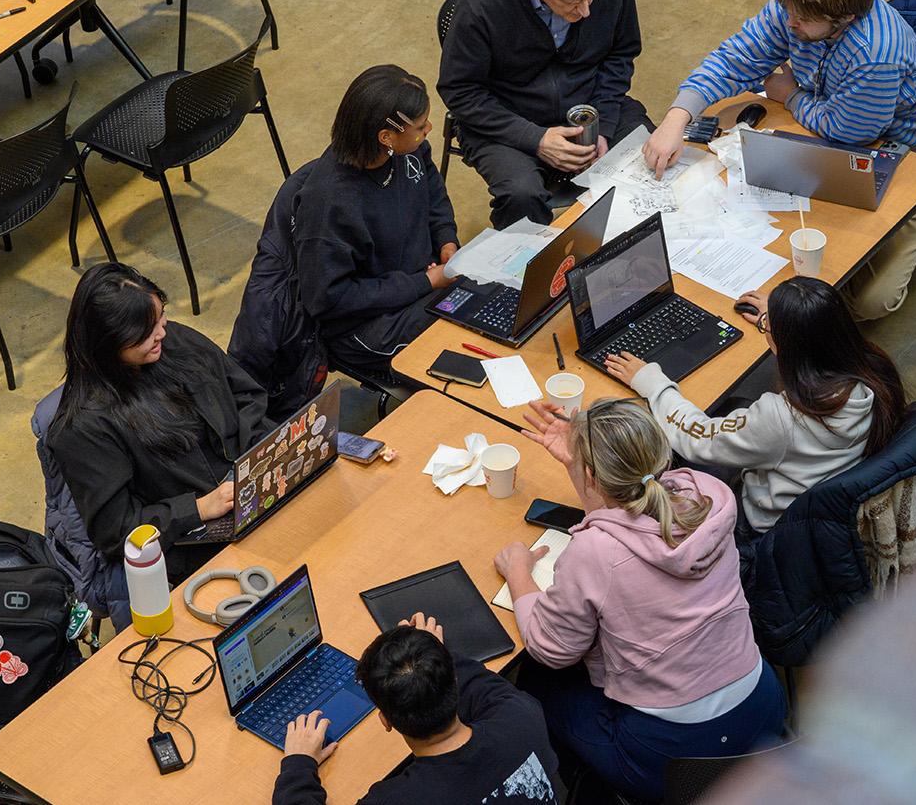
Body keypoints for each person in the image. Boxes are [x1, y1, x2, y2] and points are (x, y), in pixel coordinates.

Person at [642, 0, 916, 321]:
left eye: (801, 21)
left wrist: (792, 96)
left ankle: (803, 325)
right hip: (827, 126)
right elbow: (737, 57)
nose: (790, 25)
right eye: (788, 12)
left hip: (911, 154)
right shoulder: (799, 6)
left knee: (870, 299)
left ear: (843, 17)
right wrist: (676, 118)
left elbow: (848, 132)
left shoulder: (876, 55)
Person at [495, 399, 785, 803]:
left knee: (534, 683)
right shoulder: (703, 500)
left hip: (675, 755)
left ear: (593, 475)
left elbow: (552, 648)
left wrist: (519, 573)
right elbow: (635, 516)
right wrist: (586, 474)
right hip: (762, 707)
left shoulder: (595, 552)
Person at [605, 276, 907, 534]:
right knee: (734, 404)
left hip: (766, 526)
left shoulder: (783, 417)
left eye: (769, 328)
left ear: (788, 345)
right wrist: (784, 315)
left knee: (666, 455)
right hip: (825, 498)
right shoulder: (873, 369)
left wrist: (653, 383)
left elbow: (695, 437)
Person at [47, 263, 275, 585]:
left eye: (161, 316)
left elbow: (246, 394)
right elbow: (116, 533)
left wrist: (263, 452)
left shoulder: (170, 342)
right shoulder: (84, 428)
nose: (162, 333)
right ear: (108, 343)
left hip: (253, 488)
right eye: (146, 333)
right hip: (199, 541)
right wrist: (197, 509)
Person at [438, 0, 650, 229]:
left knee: (651, 157)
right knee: (521, 196)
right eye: (572, 2)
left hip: (588, 105)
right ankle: (518, 275)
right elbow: (460, 90)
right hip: (505, 121)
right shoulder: (482, 3)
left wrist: (603, 122)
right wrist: (535, 138)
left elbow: (620, 54)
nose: (587, 12)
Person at [272, 613, 560, 805]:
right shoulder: (521, 717)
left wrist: (298, 764)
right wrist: (432, 651)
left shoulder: (399, 799)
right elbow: (481, 684)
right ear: (455, 683)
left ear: (385, 719)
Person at [294, 65, 459, 378]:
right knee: (463, 332)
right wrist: (424, 282)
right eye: (421, 127)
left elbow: (433, 193)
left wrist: (446, 241)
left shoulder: (407, 150)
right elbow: (330, 299)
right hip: (367, 325)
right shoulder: (331, 205)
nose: (429, 130)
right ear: (386, 137)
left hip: (419, 283)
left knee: (489, 301)